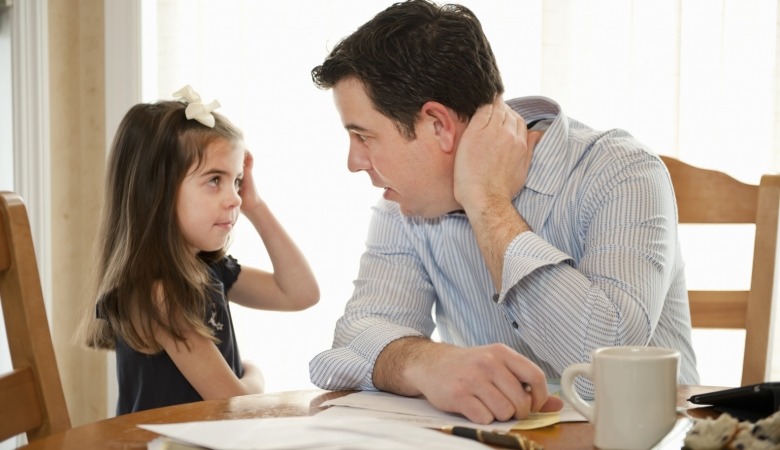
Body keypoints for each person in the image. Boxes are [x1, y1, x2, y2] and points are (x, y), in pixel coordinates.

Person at [308, 0, 699, 425]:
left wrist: (487, 202)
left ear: (437, 125)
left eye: (364, 136)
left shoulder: (621, 172)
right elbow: (351, 341)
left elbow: (602, 374)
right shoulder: (405, 205)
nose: (354, 161)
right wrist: (426, 362)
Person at [78, 85, 319, 415]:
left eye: (236, 181)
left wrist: (256, 205)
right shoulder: (158, 296)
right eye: (214, 180)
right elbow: (235, 404)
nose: (234, 197)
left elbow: (300, 293)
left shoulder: (209, 269)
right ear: (157, 193)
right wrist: (254, 375)